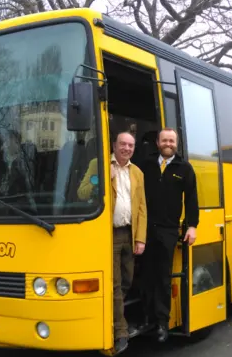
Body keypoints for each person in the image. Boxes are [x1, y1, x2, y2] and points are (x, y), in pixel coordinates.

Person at [77, 131, 147, 354]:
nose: (126, 148)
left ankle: (110, 314)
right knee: (115, 284)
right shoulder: (99, 163)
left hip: (130, 233)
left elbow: (142, 208)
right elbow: (81, 193)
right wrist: (102, 179)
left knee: (127, 280)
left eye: (130, 145)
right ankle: (120, 331)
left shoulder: (137, 172)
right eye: (123, 144)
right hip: (110, 234)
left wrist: (140, 238)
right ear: (114, 145)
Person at [138, 127, 199, 343]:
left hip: (168, 230)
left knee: (163, 277)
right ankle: (147, 318)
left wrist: (192, 226)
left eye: (172, 141)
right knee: (145, 275)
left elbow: (191, 198)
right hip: (144, 229)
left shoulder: (184, 168)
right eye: (164, 140)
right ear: (157, 142)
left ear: (177, 143)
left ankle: (162, 323)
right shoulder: (145, 164)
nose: (168, 144)